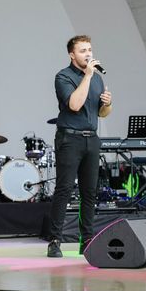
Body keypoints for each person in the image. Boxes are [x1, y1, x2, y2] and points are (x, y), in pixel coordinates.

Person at [47, 35, 112, 258]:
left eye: (89, 49)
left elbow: (102, 113)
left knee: (89, 192)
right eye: (83, 50)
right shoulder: (63, 77)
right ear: (72, 55)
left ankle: (87, 240)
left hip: (91, 138)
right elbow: (74, 104)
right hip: (70, 138)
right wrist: (87, 76)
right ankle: (55, 240)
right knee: (64, 189)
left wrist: (108, 103)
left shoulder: (97, 78)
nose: (88, 54)